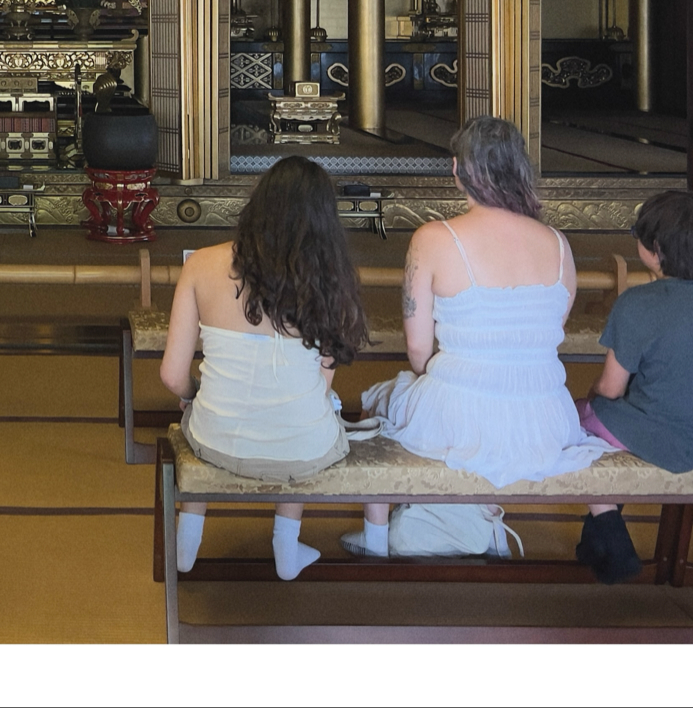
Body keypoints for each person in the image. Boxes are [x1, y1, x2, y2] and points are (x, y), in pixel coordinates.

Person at [346, 116, 610, 558]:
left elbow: (417, 348)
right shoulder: (559, 244)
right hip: (545, 416)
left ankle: (378, 540)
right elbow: (552, 331)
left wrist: (438, 380)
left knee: (379, 402)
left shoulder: (433, 238)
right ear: (521, 168)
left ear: (457, 170)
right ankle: (475, 523)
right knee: (437, 414)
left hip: (460, 404)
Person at [159, 156, 371, 580]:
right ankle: (285, 545)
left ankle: (186, 540)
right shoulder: (330, 280)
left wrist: (193, 395)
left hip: (216, 439)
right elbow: (320, 383)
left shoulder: (201, 263)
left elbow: (171, 374)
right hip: (303, 448)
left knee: (202, 407)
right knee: (308, 408)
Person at [574, 190, 693, 583]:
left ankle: (607, 526)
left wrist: (589, 405)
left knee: (574, 419)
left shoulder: (639, 304)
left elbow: (609, 389)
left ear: (655, 249)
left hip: (672, 441)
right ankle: (595, 537)